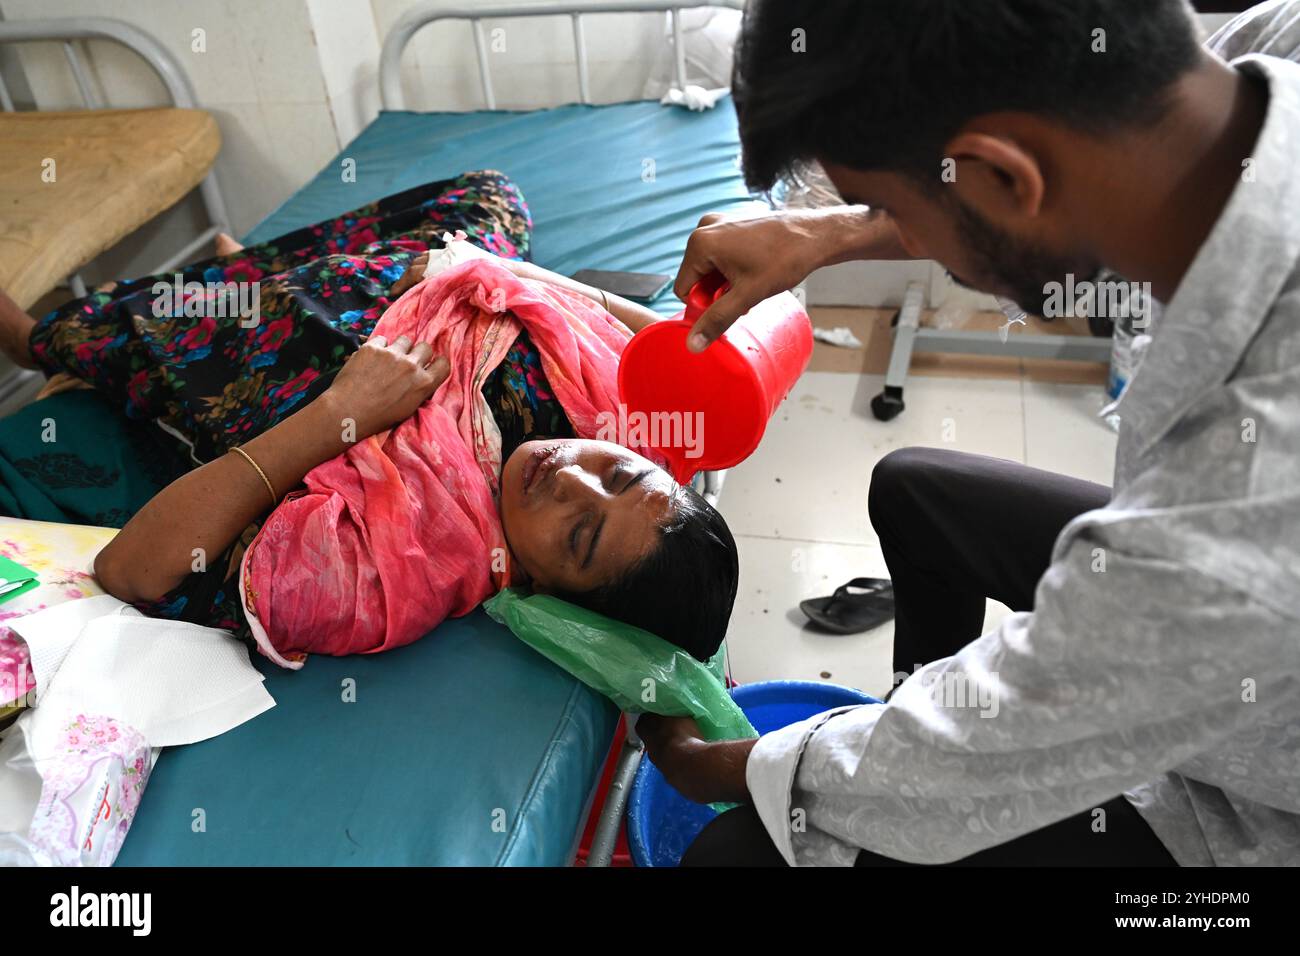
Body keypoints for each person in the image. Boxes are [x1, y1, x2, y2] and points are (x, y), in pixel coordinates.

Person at [638, 0, 1300, 866]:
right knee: (917, 493)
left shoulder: (1244, 488)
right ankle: (906, 702)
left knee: (739, 852)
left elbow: (997, 741)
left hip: (1255, 812)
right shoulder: (1252, 59)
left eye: (891, 206)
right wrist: (824, 232)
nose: (903, 239)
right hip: (1213, 643)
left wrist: (708, 764)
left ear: (1003, 175)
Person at [0, 171, 738, 667]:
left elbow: (133, 570)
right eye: (618, 472)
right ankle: (248, 265)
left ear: (544, 591)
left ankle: (48, 338)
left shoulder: (404, 566)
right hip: (422, 283)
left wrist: (340, 415)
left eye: (580, 533)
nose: (573, 476)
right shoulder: (634, 432)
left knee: (278, 319)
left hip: (295, 348)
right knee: (489, 197)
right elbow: (652, 336)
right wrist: (497, 272)